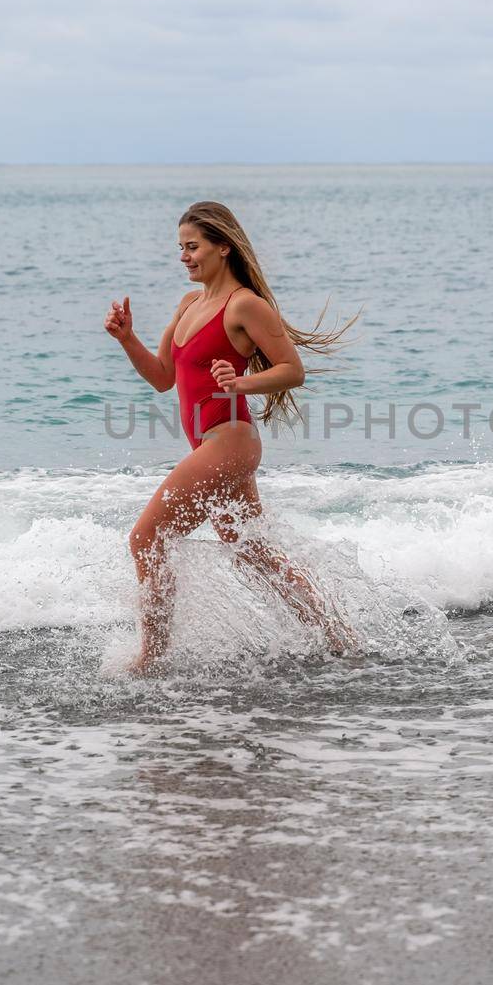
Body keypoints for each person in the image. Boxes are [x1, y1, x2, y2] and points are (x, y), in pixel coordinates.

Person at [104, 201, 359, 672]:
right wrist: (127, 340)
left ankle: (151, 660)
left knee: (147, 538)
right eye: (180, 247)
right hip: (209, 444)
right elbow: (163, 378)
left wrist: (240, 383)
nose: (184, 256)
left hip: (230, 439)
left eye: (193, 246)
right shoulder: (188, 305)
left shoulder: (243, 304)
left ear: (223, 247)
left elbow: (292, 371)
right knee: (251, 552)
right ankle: (339, 637)